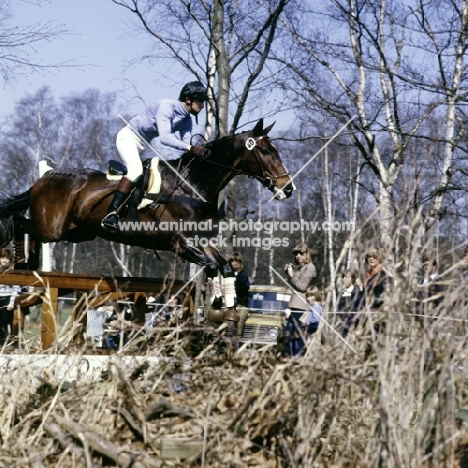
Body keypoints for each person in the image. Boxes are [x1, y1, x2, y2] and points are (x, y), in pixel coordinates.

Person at [101, 80, 209, 232]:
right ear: (188, 99)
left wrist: (198, 152)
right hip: (129, 138)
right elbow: (165, 138)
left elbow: (186, 145)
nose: (203, 106)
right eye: (200, 102)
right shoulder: (166, 106)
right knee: (136, 171)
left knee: (155, 175)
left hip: (145, 144)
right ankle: (111, 213)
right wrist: (191, 148)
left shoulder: (187, 121)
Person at [283, 243, 317, 357]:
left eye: (301, 253)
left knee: (298, 336)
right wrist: (289, 276)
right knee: (288, 334)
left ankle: (298, 359)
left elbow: (302, 286)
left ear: (307, 254)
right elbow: (294, 286)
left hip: (301, 306)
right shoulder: (301, 268)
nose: (298, 256)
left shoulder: (310, 267)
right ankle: (289, 358)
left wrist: (293, 276)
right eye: (296, 253)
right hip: (293, 305)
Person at [355, 247, 390, 333]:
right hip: (367, 314)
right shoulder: (369, 275)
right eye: (369, 256)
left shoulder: (383, 274)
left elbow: (382, 295)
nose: (371, 258)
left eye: (374, 256)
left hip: (377, 314)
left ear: (379, 258)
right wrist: (360, 286)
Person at [0, 248, 20, 346]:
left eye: (7, 258)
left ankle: (4, 344)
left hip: (7, 298)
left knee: (5, 322)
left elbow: (16, 288)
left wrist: (11, 302)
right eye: (2, 257)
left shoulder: (11, 272)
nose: (4, 260)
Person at [228, 252, 250, 339]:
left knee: (238, 328)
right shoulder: (229, 274)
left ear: (241, 263)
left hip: (241, 305)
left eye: (236, 261)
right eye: (232, 261)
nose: (234, 263)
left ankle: (236, 347)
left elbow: (246, 287)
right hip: (231, 305)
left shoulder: (243, 274)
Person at [336, 270, 362, 336]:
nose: (344, 279)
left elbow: (359, 307)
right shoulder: (342, 293)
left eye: (347, 277)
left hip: (353, 324)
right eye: (343, 277)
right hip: (343, 324)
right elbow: (338, 309)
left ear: (352, 279)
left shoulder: (357, 292)